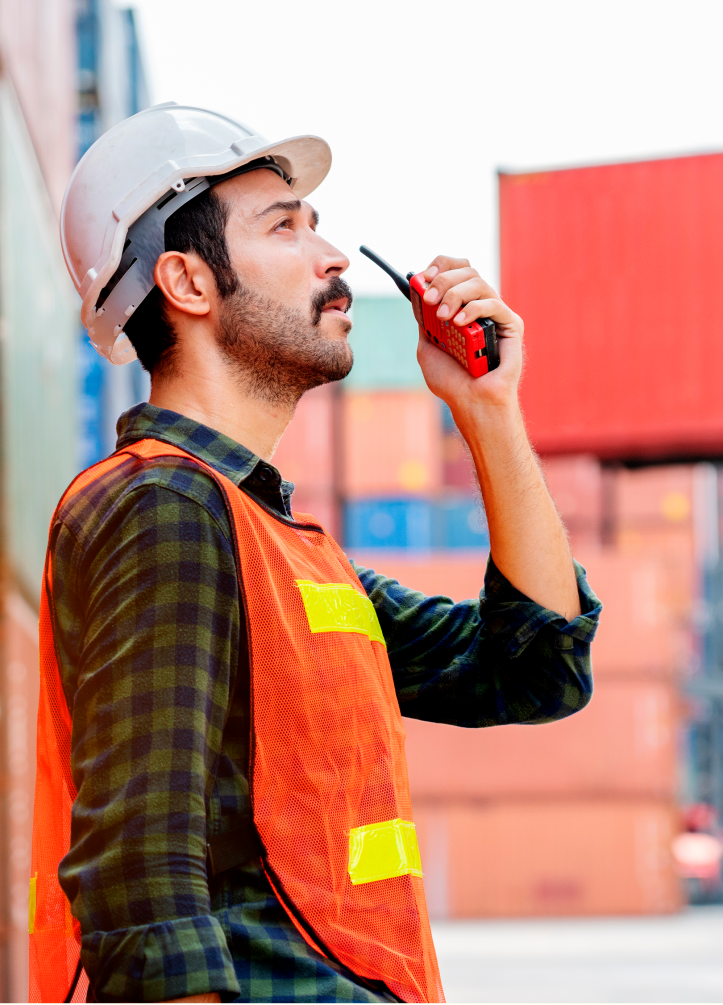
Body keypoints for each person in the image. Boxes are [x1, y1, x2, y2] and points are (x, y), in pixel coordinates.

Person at [31, 104, 601, 1004]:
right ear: (186, 280)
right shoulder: (162, 508)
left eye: (318, 227)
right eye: (285, 227)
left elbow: (530, 671)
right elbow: (142, 886)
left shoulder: (281, 549)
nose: (332, 257)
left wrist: (489, 411)